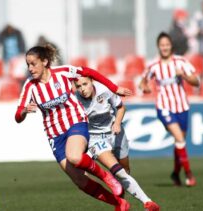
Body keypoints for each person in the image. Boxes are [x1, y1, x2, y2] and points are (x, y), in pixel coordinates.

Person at [15, 45, 132, 211]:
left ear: (45, 61)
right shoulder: (30, 86)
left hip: (75, 123)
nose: (30, 68)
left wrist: (115, 88)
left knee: (75, 157)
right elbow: (17, 116)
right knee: (79, 180)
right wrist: (24, 111)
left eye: (33, 63)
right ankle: (119, 203)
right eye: (28, 65)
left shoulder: (63, 72)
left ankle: (107, 177)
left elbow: (89, 72)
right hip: (55, 135)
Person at [75, 76, 160, 211]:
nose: (82, 89)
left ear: (92, 82)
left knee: (125, 171)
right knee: (118, 172)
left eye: (85, 84)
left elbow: (121, 108)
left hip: (116, 133)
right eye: (78, 86)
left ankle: (122, 204)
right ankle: (148, 203)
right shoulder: (75, 100)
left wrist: (117, 123)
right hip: (97, 139)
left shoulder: (104, 90)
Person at [139, 32, 200, 187]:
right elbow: (142, 82)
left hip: (182, 106)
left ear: (170, 45)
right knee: (179, 138)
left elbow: (196, 81)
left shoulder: (180, 61)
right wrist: (144, 87)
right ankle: (189, 174)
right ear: (158, 47)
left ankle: (175, 173)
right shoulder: (153, 65)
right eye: (162, 45)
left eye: (167, 44)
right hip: (164, 107)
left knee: (179, 142)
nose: (164, 47)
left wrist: (185, 76)